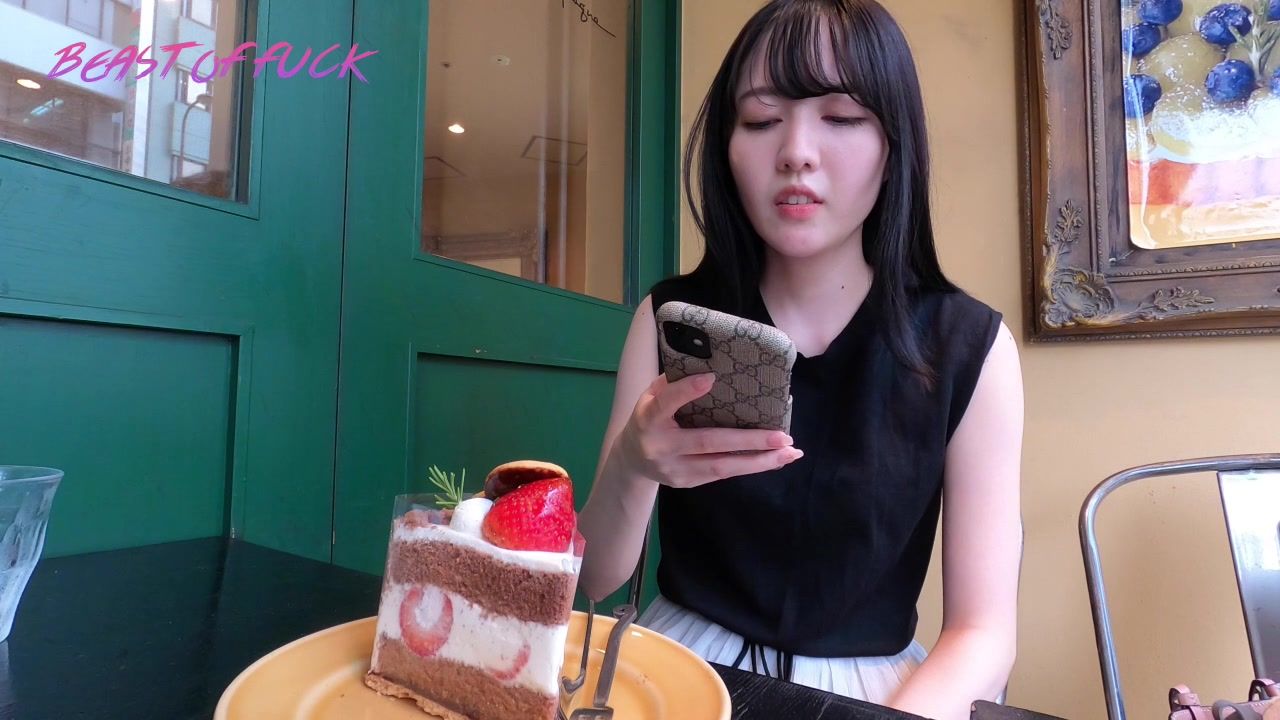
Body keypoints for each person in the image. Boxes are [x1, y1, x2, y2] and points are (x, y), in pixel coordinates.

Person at [576, 1, 1024, 717]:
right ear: (726, 145)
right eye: (761, 119)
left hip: (880, 697)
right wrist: (634, 462)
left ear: (894, 145)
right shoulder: (669, 319)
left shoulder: (970, 347)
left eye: (840, 117)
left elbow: (983, 631)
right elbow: (595, 578)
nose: (796, 152)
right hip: (680, 667)